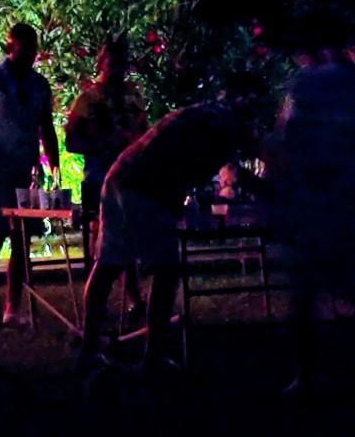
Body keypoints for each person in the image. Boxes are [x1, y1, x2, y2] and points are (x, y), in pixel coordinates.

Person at [77, 74, 272, 376]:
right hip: (144, 190)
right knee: (166, 271)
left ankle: (88, 351)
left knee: (108, 264)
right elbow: (233, 174)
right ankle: (152, 359)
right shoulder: (223, 127)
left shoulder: (207, 114)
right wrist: (276, 191)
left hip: (121, 177)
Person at [272, 25, 355, 394]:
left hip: (315, 201)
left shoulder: (305, 85)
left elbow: (287, 139)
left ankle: (306, 376)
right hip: (351, 201)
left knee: (305, 296)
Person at [0, 23, 59, 327]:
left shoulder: (39, 85)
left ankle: (12, 308)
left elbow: (46, 126)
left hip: (26, 171)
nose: (29, 56)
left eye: (33, 50)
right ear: (11, 48)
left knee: (21, 241)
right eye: (23, 49)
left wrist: (53, 165)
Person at [65, 36, 149, 318]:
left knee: (129, 236)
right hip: (99, 177)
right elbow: (71, 142)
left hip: (131, 176)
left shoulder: (134, 97)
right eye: (112, 62)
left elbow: (145, 132)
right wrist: (104, 144)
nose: (117, 69)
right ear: (101, 63)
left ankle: (134, 299)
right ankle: (98, 304)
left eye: (122, 63)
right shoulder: (88, 100)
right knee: (101, 240)